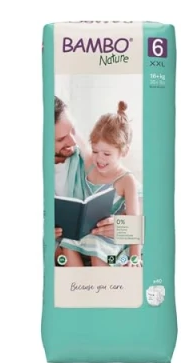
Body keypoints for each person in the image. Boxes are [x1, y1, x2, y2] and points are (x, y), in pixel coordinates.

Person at [59, 101, 143, 267]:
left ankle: (102, 281)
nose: (99, 158)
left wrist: (135, 258)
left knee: (97, 246)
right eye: (95, 151)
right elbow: (75, 134)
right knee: (67, 243)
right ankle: (79, 280)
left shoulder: (126, 180)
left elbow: (135, 224)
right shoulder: (91, 163)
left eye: (107, 154)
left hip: (110, 239)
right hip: (89, 232)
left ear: (124, 152)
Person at [54, 96, 115, 258]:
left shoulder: (89, 158)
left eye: (73, 130)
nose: (73, 141)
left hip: (97, 248)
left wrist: (122, 227)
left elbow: (145, 222)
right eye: (61, 139)